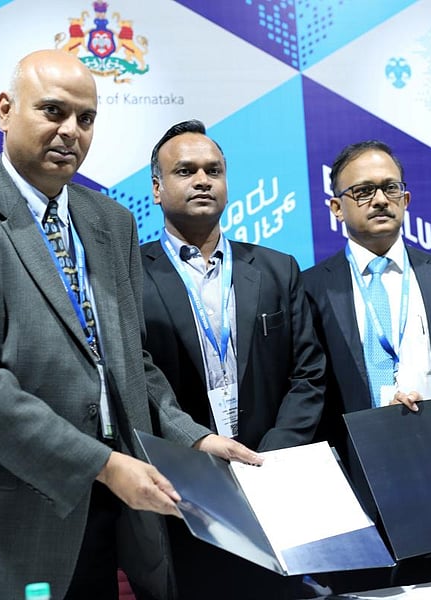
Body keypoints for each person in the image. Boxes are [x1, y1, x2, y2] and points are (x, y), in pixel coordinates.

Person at [0, 50, 259, 600]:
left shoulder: (110, 221)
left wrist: (194, 438)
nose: (71, 132)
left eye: (85, 119)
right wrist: (103, 463)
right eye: (53, 112)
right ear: (5, 110)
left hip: (104, 518)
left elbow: (132, 361)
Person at [140, 119, 327, 599]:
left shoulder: (274, 267)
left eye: (213, 170)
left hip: (270, 482)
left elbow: (308, 373)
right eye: (185, 171)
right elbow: (135, 375)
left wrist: (270, 456)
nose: (202, 180)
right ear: (157, 190)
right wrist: (195, 444)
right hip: (180, 488)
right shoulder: (130, 273)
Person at [302, 140, 431, 590]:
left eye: (389, 188)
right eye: (361, 192)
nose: (379, 200)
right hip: (354, 493)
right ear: (336, 207)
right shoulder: (308, 288)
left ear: (406, 199)